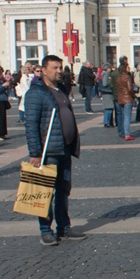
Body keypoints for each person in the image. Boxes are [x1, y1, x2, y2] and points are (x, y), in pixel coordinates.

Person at [24, 55, 86, 246]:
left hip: (64, 148)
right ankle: (45, 230)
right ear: (43, 70)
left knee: (63, 190)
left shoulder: (60, 89)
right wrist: (35, 152)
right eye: (54, 68)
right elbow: (31, 125)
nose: (59, 71)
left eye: (60, 67)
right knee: (45, 193)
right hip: (47, 151)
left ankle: (64, 227)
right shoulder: (36, 93)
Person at [114, 57, 136, 141]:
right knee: (127, 117)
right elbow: (130, 89)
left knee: (122, 116)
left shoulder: (119, 77)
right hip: (127, 98)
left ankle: (123, 132)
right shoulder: (127, 77)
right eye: (128, 67)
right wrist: (133, 96)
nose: (129, 68)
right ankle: (127, 134)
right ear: (125, 68)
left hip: (120, 98)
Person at [99, 64, 116, 128]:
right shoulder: (106, 74)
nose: (111, 69)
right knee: (108, 108)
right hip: (107, 92)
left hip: (106, 93)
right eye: (110, 67)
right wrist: (111, 82)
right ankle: (107, 122)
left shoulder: (104, 74)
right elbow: (105, 83)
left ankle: (107, 122)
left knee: (108, 108)